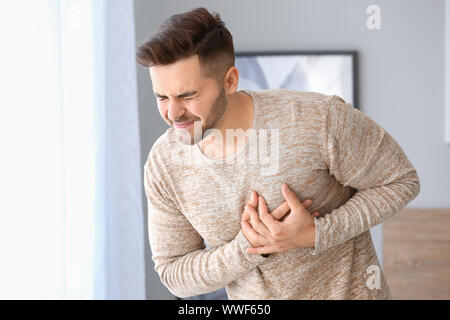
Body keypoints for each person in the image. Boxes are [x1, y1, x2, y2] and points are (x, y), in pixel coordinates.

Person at [136, 7, 420, 300]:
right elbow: (174, 275)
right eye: (162, 97)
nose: (172, 112)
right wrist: (248, 247)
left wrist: (317, 233)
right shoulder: (164, 163)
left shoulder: (319, 118)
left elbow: (401, 181)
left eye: (187, 96)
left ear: (230, 81)